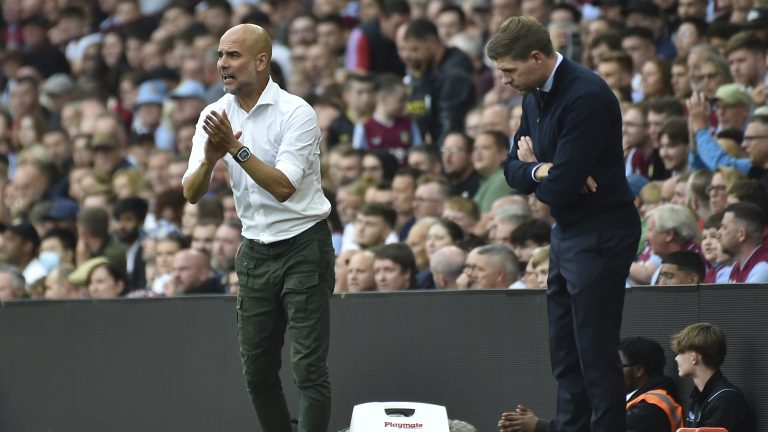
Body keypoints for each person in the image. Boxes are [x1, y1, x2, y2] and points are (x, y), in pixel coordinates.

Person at [487, 16, 641, 432]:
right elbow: (511, 172)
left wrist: (540, 168)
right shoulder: (532, 95)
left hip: (603, 231)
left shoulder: (585, 94)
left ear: (536, 57)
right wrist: (543, 170)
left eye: (509, 70)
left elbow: (561, 186)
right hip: (567, 233)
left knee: (595, 354)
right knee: (565, 356)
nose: (504, 81)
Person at [181, 24, 335, 432]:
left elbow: (284, 187)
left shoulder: (297, 112)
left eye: (232, 56)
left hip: (303, 245)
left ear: (261, 61)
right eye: (219, 55)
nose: (222, 65)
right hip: (254, 250)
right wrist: (212, 158)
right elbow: (191, 193)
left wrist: (235, 149)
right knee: (257, 373)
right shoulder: (214, 116)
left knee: (308, 370)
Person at [500, 336, 684, 432]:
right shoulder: (635, 401)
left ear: (638, 370)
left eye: (615, 366)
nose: (608, 372)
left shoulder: (651, 408)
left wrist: (539, 426)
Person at [671, 322, 755, 431]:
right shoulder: (699, 398)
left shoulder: (726, 399)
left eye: (680, 352)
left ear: (693, 358)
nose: (676, 358)